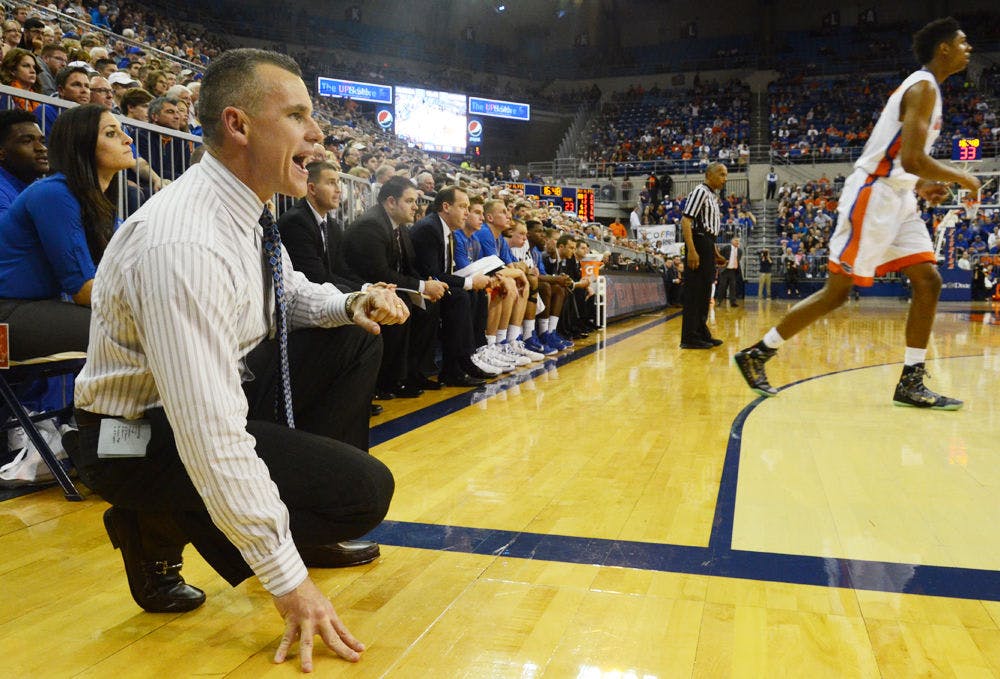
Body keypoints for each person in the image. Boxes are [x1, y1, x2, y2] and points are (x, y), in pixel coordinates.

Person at [66, 50, 406, 672]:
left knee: (355, 335)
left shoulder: (244, 209)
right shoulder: (186, 242)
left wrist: (352, 302)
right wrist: (287, 581)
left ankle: (287, 519)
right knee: (363, 493)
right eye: (297, 115)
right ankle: (152, 524)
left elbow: (286, 292)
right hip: (127, 439)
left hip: (204, 403)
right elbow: (210, 433)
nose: (317, 133)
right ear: (238, 124)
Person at [735, 18, 980, 409]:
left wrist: (921, 184)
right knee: (837, 293)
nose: (969, 48)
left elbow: (901, 159)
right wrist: (962, 177)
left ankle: (911, 380)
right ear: (944, 48)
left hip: (899, 197)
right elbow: (912, 158)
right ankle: (758, 353)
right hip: (873, 197)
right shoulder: (921, 87)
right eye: (963, 42)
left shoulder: (931, 89)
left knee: (928, 280)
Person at [0, 104, 131, 359]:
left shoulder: (97, 203)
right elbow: (83, 290)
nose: (128, 139)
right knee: (135, 329)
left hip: (38, 307)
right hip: (7, 313)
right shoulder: (53, 193)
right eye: (111, 133)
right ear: (82, 145)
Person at [679, 162, 727, 349]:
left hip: (707, 243)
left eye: (726, 175)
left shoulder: (712, 196)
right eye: (721, 174)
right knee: (695, 291)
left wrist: (715, 252)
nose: (725, 179)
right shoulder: (700, 191)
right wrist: (692, 250)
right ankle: (689, 337)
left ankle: (701, 332)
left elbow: (708, 229)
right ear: (709, 174)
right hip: (698, 243)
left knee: (705, 291)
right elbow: (686, 221)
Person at [0, 108, 47, 215]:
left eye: (42, 141)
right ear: (1, 153)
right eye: (27, 141)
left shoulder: (39, 187)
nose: (42, 148)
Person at [715, 235, 743, 307]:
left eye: (738, 241)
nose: (737, 242)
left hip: (733, 271)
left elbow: (738, 260)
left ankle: (733, 302)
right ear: (732, 241)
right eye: (736, 241)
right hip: (725, 270)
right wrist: (723, 261)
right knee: (722, 286)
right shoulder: (726, 248)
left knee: (733, 287)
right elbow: (719, 255)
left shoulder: (740, 251)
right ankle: (719, 301)